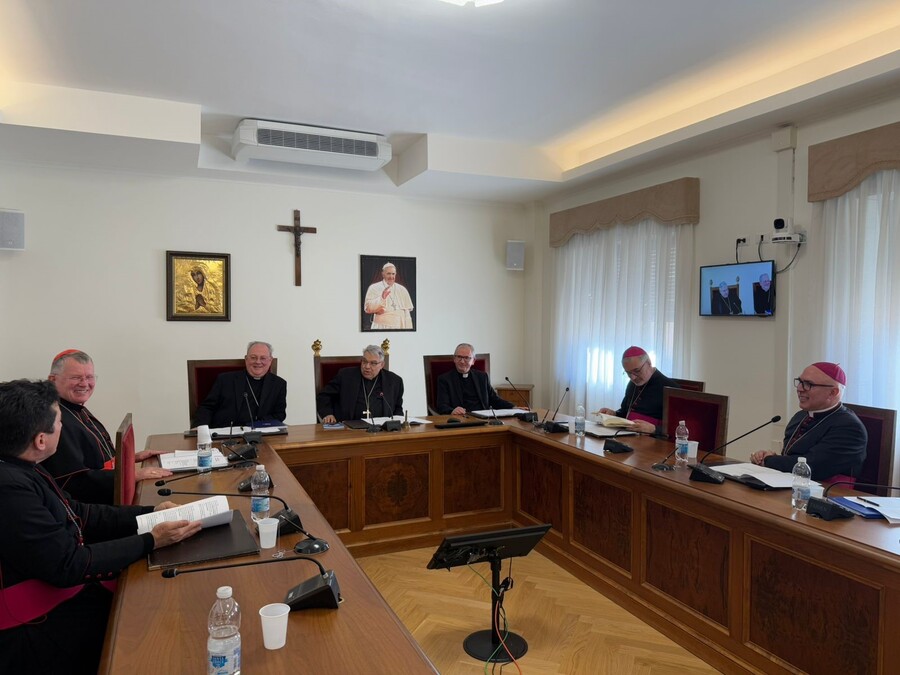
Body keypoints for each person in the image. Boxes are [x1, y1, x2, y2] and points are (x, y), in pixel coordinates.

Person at [0, 379, 201, 675]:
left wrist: (151, 514)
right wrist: (151, 540)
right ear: (41, 440)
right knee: (157, 625)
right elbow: (68, 564)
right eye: (59, 422)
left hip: (61, 589)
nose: (63, 427)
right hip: (36, 626)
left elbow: (80, 513)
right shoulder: (10, 488)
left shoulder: (22, 465)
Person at [43, 349, 172, 504]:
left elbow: (96, 461)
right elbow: (74, 482)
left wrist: (131, 458)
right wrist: (131, 475)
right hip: (92, 507)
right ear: (52, 380)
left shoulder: (75, 407)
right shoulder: (56, 420)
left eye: (89, 377)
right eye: (76, 377)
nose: (84, 384)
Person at [750, 362, 867, 482]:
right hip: (792, 482)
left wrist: (769, 460)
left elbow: (812, 466)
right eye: (800, 382)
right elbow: (792, 456)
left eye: (808, 384)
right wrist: (767, 458)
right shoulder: (800, 416)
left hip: (828, 490)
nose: (799, 389)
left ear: (833, 392)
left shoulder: (849, 427)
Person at [193, 341, 288, 428]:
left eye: (263, 358)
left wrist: (257, 424)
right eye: (253, 357)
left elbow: (279, 414)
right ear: (246, 359)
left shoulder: (279, 384)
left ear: (270, 360)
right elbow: (207, 407)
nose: (258, 362)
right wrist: (200, 429)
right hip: (226, 432)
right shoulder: (225, 380)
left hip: (260, 433)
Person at [598, 346, 679, 434]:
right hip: (627, 434)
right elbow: (625, 412)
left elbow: (679, 428)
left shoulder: (671, 388)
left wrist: (654, 429)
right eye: (628, 373)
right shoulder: (631, 384)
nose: (633, 378)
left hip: (653, 439)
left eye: (637, 371)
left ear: (649, 363)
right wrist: (614, 414)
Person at [317, 345, 404, 423]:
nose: (367, 366)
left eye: (373, 363)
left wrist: (397, 425)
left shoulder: (394, 381)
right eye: (364, 361)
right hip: (348, 428)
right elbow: (324, 396)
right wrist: (327, 413)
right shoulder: (345, 376)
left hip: (381, 431)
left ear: (382, 365)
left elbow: (397, 408)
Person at [436, 343, 514, 415]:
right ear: (454, 359)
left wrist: (513, 407)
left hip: (484, 418)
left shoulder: (482, 377)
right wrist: (452, 410)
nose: (462, 361)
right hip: (460, 418)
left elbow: (494, 399)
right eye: (459, 357)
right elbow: (442, 405)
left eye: (466, 358)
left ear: (473, 361)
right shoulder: (445, 379)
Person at [363, 262, 414, 330]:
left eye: (393, 274)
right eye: (388, 274)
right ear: (383, 274)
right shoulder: (374, 287)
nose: (391, 277)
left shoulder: (402, 289)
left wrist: (408, 329)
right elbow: (368, 308)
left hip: (400, 326)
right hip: (381, 326)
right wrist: (382, 298)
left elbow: (407, 313)